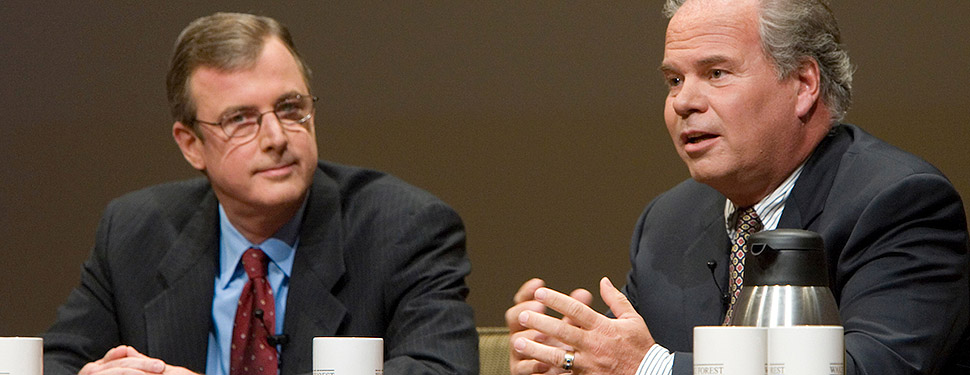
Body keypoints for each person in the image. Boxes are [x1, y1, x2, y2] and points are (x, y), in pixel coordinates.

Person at [506, 0, 970, 374]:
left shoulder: (899, 203)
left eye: (716, 73)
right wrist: (565, 359)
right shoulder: (667, 221)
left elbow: (872, 367)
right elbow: (627, 357)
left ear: (804, 83)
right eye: (674, 80)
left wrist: (652, 368)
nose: (684, 102)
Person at [43, 12, 478, 375]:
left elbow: (441, 368)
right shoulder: (135, 232)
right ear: (191, 144)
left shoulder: (403, 228)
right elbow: (56, 362)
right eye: (241, 119)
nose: (276, 137)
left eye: (290, 109)